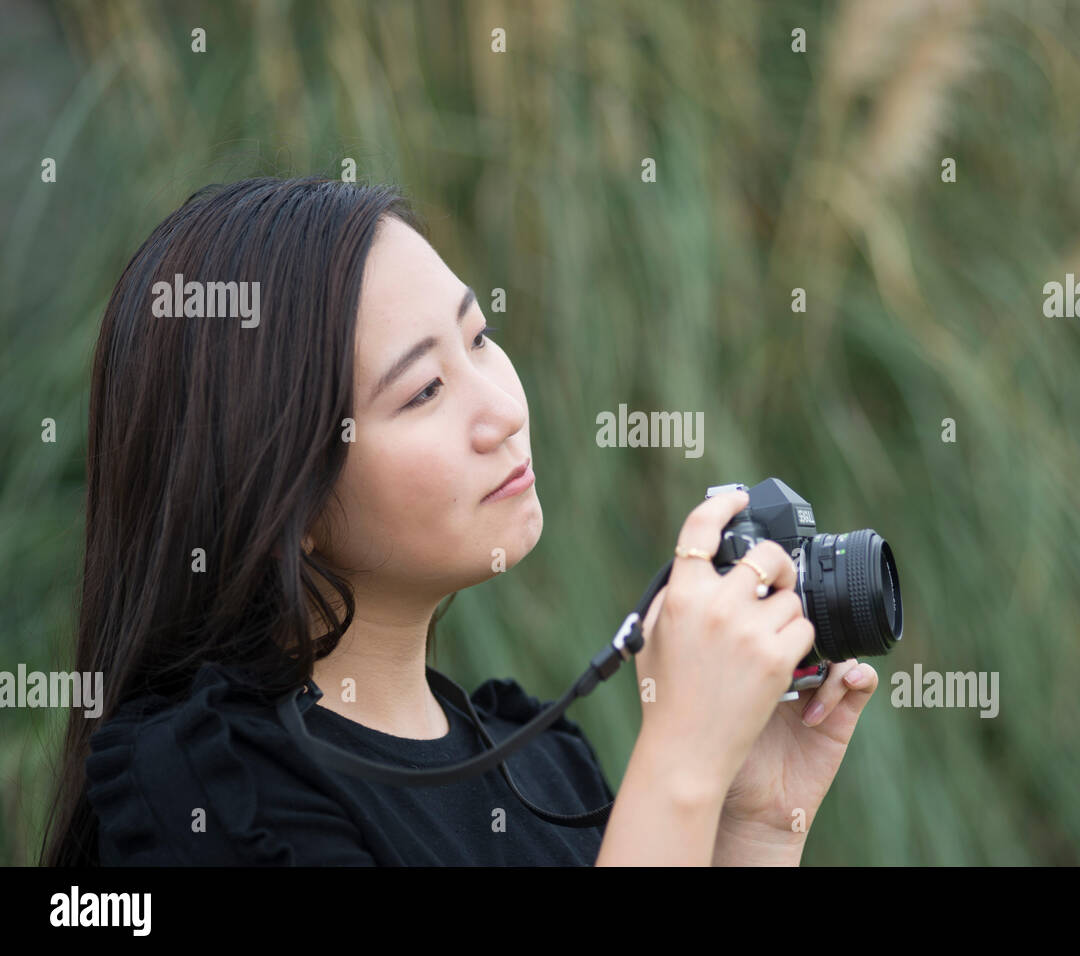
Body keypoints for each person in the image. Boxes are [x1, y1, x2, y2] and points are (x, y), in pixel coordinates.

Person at [41, 176, 880, 867]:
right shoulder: (209, 791)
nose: (502, 413)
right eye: (424, 392)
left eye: (479, 339)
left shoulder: (543, 768)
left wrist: (751, 828)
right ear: (281, 496)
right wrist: (683, 769)